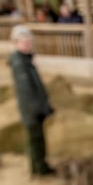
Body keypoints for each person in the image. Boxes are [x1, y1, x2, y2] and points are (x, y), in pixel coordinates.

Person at [8, 25, 56, 177]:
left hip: (34, 110)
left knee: (37, 140)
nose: (28, 44)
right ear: (16, 43)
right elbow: (26, 91)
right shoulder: (20, 63)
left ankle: (38, 166)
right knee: (35, 141)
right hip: (31, 111)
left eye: (29, 41)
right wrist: (40, 109)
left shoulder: (25, 60)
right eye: (24, 42)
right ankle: (39, 169)